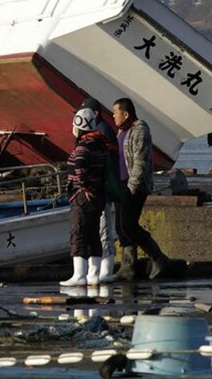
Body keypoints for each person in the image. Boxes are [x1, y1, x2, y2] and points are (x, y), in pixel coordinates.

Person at [112, 97, 170, 280]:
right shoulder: (121, 131)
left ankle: (158, 258)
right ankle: (128, 266)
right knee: (121, 227)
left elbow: (141, 160)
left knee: (129, 224)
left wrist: (133, 185)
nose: (113, 116)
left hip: (134, 185)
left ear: (126, 114)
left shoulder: (140, 130)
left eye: (116, 113)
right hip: (120, 184)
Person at [59, 108, 109, 287]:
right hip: (99, 196)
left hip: (83, 197)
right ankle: (93, 274)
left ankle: (79, 274)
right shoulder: (100, 144)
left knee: (78, 233)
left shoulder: (83, 146)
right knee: (94, 234)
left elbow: (79, 163)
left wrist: (83, 185)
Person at [81, 97, 120, 284]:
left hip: (101, 188)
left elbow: (107, 163)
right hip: (99, 187)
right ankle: (100, 270)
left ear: (95, 114)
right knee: (99, 228)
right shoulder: (101, 131)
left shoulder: (102, 132)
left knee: (103, 228)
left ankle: (106, 270)